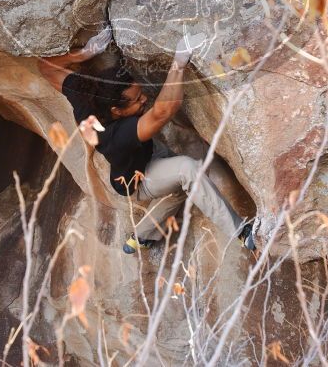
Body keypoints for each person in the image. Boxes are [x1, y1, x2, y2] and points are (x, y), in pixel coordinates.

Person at [38, 25, 257, 254]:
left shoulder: (87, 95)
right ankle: (241, 233)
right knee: (188, 170)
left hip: (144, 153)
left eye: (140, 93)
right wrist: (178, 63)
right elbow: (163, 111)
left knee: (178, 188)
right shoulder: (115, 136)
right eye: (137, 99)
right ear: (117, 111)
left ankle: (140, 237)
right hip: (138, 180)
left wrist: (85, 53)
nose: (144, 99)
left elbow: (45, 67)